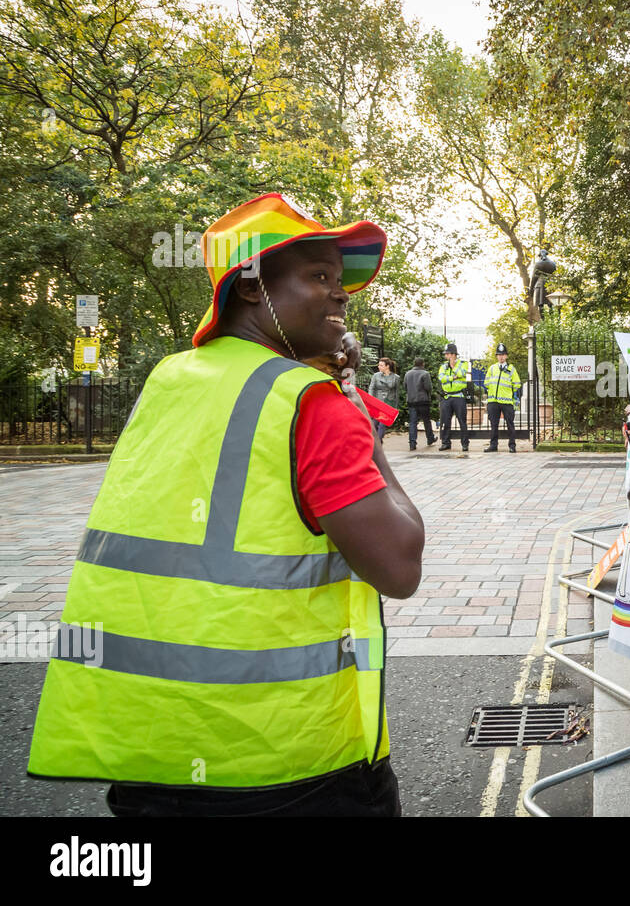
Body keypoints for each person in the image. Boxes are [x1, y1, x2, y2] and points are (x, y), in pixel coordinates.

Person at [27, 193, 425, 816]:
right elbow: (400, 567)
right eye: (318, 276)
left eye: (341, 280)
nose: (342, 293)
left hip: (149, 746)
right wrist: (358, 418)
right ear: (249, 288)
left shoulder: (171, 378)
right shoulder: (312, 403)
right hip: (287, 762)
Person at [482, 342, 521, 452]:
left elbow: (517, 384)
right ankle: (493, 445)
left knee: (510, 424)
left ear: (506, 356)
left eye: (503, 354)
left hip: (507, 401)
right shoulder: (492, 368)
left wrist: (509, 392)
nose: (501, 357)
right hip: (493, 401)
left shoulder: (511, 369)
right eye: (499, 355)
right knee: (493, 425)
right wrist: (492, 390)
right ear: (496, 356)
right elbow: (486, 382)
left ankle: (512, 446)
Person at [437, 342, 471, 452]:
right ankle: (446, 443)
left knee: (462, 421)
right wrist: (453, 377)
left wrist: (453, 367)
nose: (446, 356)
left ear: (453, 354)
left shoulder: (463, 364)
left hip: (459, 396)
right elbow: (441, 378)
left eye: (447, 354)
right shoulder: (443, 366)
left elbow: (461, 373)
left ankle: (465, 444)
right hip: (447, 397)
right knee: (445, 421)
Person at [404, 357, 434, 450]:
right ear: (423, 364)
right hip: (423, 401)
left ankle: (412, 443)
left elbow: (405, 387)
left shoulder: (407, 374)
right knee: (426, 421)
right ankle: (430, 439)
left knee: (413, 422)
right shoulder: (425, 374)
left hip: (411, 401)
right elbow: (428, 387)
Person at [367, 356, 400, 440]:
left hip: (389, 403)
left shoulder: (396, 377)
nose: (378, 367)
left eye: (381, 365)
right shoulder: (376, 376)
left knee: (382, 424)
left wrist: (395, 408)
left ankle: (377, 442)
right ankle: (377, 442)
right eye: (379, 365)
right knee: (374, 424)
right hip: (377, 402)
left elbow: (396, 393)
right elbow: (371, 388)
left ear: (387, 366)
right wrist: (371, 400)